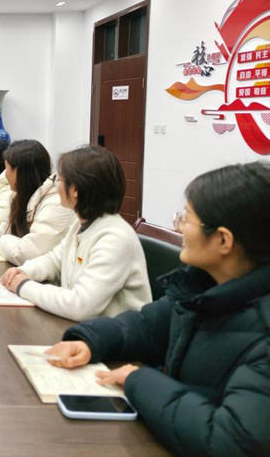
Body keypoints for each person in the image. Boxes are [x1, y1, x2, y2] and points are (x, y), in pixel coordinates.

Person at [45, 162, 270, 457]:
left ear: (223, 240)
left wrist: (138, 380)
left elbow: (229, 441)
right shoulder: (201, 288)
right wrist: (90, 340)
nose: (178, 227)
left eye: (186, 218)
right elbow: (146, 326)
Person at [0, 145, 150, 321]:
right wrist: (24, 271)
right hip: (86, 328)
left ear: (75, 190)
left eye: (61, 180)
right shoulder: (81, 224)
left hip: (115, 335)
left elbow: (81, 305)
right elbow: (54, 261)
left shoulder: (115, 238)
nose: (57, 187)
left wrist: (23, 286)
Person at [0, 139, 74, 264]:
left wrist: (0, 243)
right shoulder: (23, 195)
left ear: (19, 172)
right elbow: (7, 228)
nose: (5, 175)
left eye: (7, 169)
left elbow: (28, 252)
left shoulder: (54, 203)